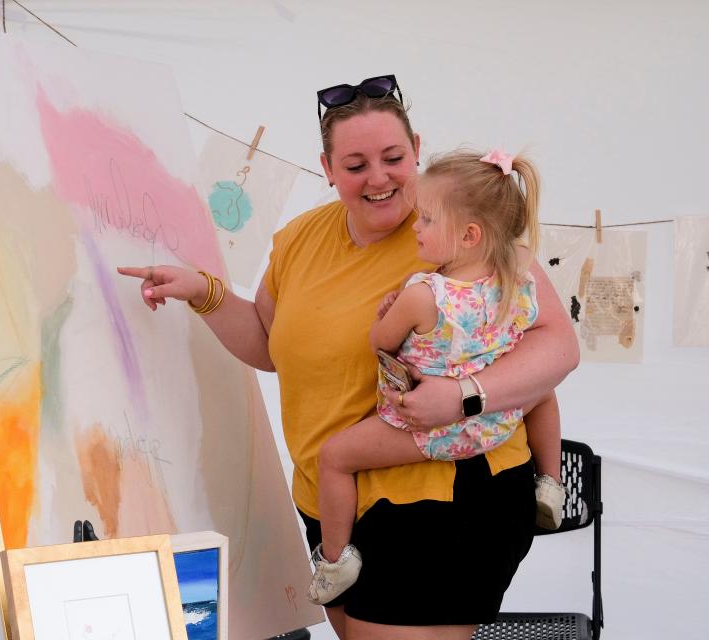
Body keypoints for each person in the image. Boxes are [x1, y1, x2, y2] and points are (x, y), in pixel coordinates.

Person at [118, 74, 578, 640]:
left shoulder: (460, 232)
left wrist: (464, 395)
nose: (379, 178)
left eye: (393, 158)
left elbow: (557, 344)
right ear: (327, 167)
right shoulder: (299, 239)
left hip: (441, 491)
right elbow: (268, 343)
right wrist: (202, 292)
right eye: (356, 165)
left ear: (416, 151)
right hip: (330, 495)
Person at [308, 148, 567, 606]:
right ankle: (548, 482)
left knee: (334, 458)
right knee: (542, 392)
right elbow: (544, 348)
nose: (415, 227)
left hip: (430, 431)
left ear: (468, 235)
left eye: (427, 220)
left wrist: (386, 312)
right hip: (495, 422)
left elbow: (379, 343)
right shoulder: (519, 277)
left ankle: (334, 560)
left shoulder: (425, 294)